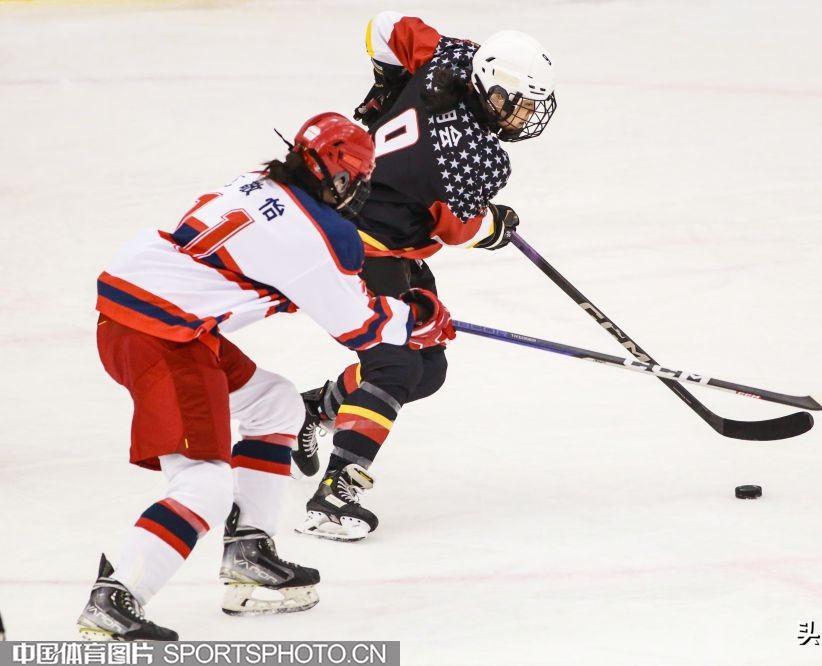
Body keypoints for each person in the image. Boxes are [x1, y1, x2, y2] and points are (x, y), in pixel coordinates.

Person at [79, 112, 454, 640]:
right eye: (357, 180)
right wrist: (419, 320)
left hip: (153, 312)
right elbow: (362, 328)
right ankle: (116, 597)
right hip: (161, 333)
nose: (359, 192)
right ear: (337, 176)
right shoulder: (315, 233)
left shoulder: (259, 182)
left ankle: (249, 550)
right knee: (204, 483)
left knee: (276, 403)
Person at [293, 11, 556, 542]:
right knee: (396, 366)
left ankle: (310, 408)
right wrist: (495, 226)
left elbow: (386, 25)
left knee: (428, 370)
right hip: (357, 248)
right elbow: (458, 227)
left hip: (384, 241)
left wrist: (386, 86)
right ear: (493, 93)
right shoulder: (477, 158)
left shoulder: (450, 58)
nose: (526, 117)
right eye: (520, 105)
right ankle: (334, 494)